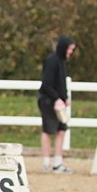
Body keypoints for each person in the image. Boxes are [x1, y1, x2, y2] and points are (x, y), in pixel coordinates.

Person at [38, 35, 77, 173]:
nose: (71, 52)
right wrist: (56, 98)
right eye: (70, 49)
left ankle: (58, 162)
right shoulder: (52, 61)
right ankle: (46, 163)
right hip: (48, 101)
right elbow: (47, 84)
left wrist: (64, 97)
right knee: (48, 130)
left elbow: (61, 83)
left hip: (58, 102)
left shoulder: (62, 62)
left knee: (62, 130)